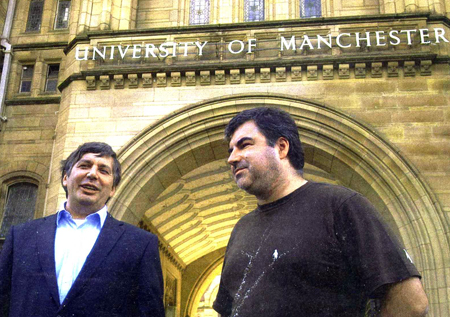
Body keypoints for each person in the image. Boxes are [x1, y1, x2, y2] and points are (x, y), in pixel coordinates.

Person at [213, 107, 429, 317]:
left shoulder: (340, 206)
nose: (232, 158)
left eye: (244, 145)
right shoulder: (241, 229)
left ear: (281, 147)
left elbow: (411, 303)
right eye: (231, 150)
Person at [0, 142, 165, 317]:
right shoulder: (21, 236)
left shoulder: (140, 243)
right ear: (65, 178)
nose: (92, 174)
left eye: (103, 170)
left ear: (113, 189)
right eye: (84, 166)